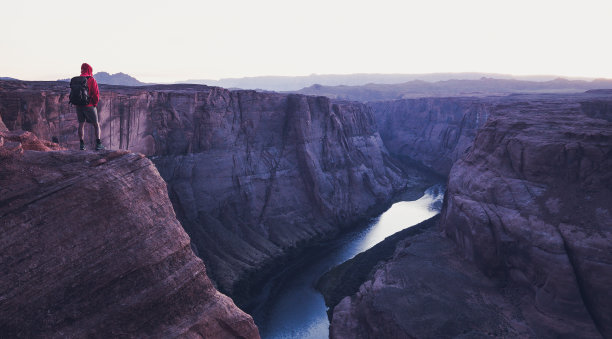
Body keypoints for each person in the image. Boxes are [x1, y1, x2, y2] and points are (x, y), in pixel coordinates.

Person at [75, 63, 105, 150]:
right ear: (89, 70)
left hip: (79, 105)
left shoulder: (77, 79)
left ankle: (81, 145)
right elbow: (96, 94)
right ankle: (98, 144)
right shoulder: (91, 79)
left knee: (81, 124)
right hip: (89, 105)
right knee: (96, 125)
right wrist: (94, 104)